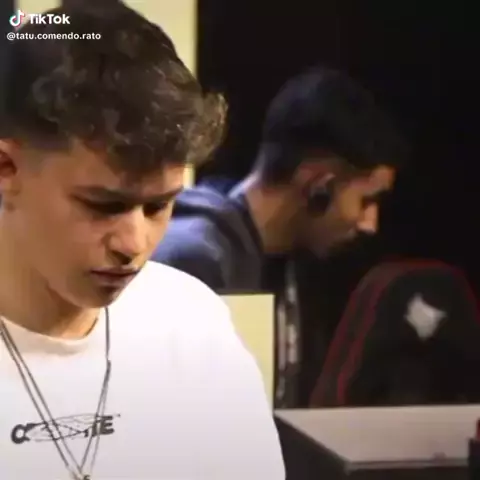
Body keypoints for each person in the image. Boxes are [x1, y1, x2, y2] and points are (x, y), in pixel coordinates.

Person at [0, 5, 284, 480]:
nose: (133, 243)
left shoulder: (195, 327)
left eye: (158, 206)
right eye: (103, 206)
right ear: (7, 169)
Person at [152, 67, 409, 406]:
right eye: (366, 201)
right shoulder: (195, 261)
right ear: (319, 186)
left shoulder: (287, 261)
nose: (369, 224)